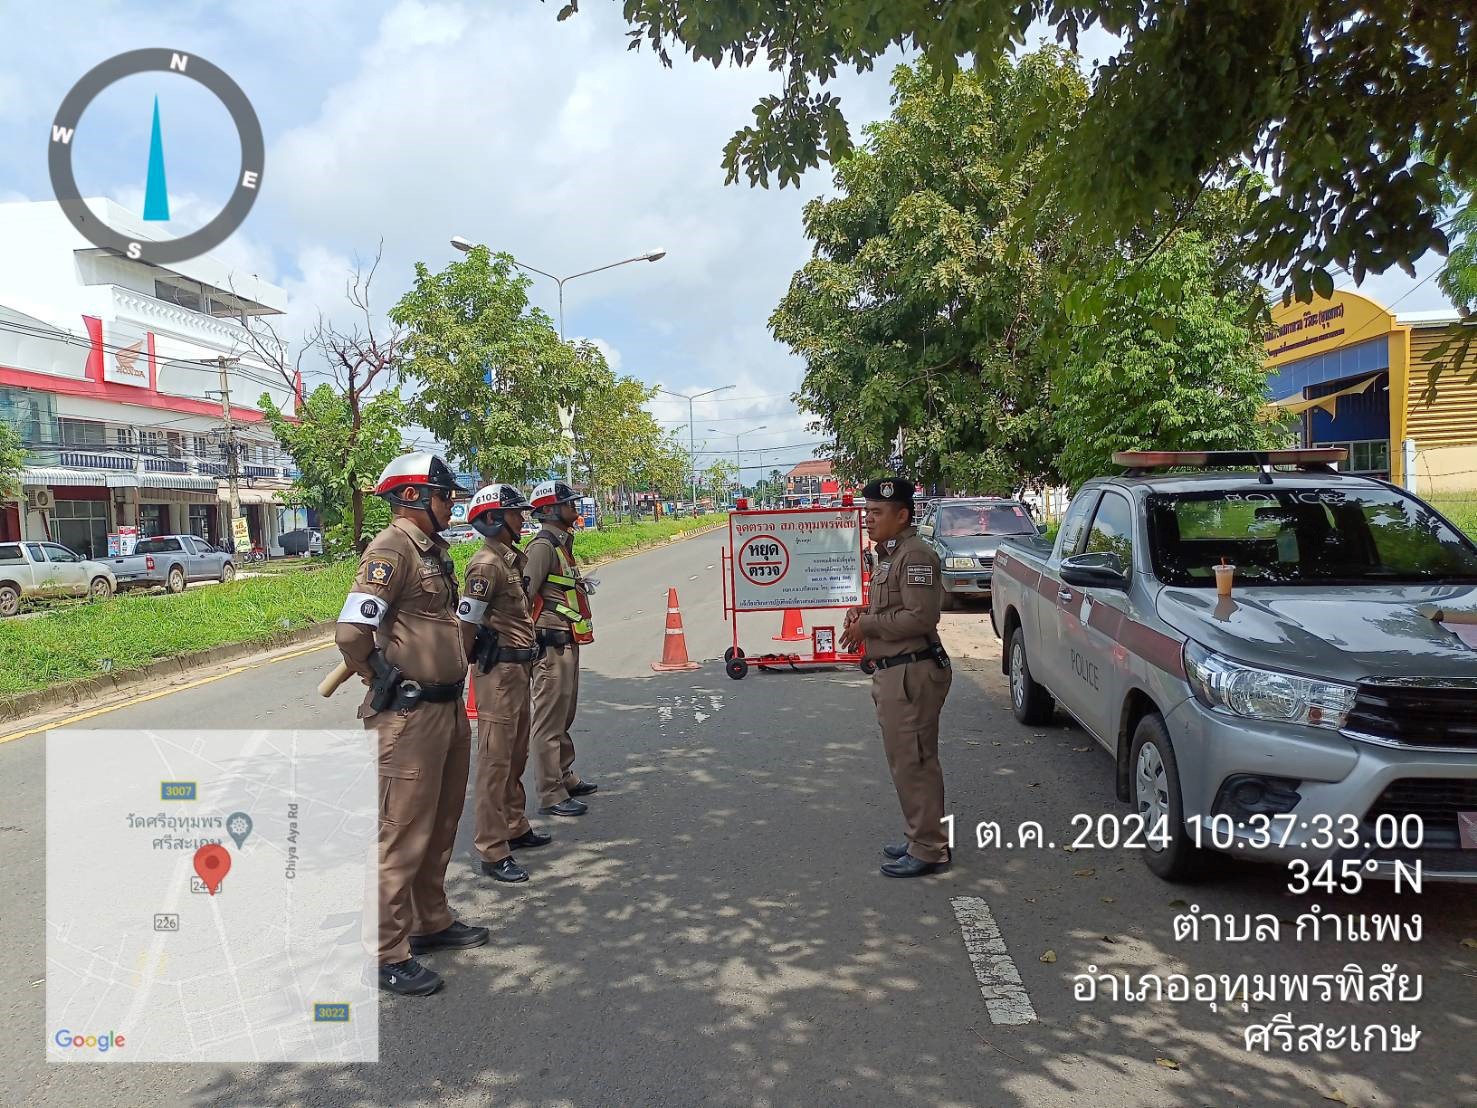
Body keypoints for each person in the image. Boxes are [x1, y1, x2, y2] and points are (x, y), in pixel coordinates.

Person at [334, 451, 489, 996]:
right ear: (412, 496)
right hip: (410, 715)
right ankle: (385, 953)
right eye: (444, 495)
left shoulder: (434, 551)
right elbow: (352, 631)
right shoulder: (391, 548)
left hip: (446, 708)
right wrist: (379, 674)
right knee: (400, 833)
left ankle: (430, 920)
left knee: (440, 823)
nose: (451, 505)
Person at [840, 476, 953, 878]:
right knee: (907, 760)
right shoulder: (891, 554)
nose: (868, 519)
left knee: (915, 761)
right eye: (867, 512)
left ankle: (929, 848)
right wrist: (863, 614)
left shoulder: (915, 555)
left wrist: (868, 626)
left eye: (876, 512)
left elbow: (921, 617)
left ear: (902, 515)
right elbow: (894, 607)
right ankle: (922, 836)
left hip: (911, 672)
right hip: (896, 671)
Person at [459, 482, 550, 884]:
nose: (522, 518)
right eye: (515, 513)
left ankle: (514, 824)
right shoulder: (486, 565)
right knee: (495, 763)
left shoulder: (510, 560)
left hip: (518, 672)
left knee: (515, 755)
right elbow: (467, 623)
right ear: (494, 519)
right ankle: (492, 849)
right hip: (497, 676)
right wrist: (466, 661)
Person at [524, 479, 599, 817]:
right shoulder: (542, 547)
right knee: (549, 721)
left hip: (567, 640)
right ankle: (550, 792)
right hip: (550, 644)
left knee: (564, 714)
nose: (575, 508)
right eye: (569, 503)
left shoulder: (561, 543)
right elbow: (524, 596)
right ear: (551, 510)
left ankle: (564, 776)